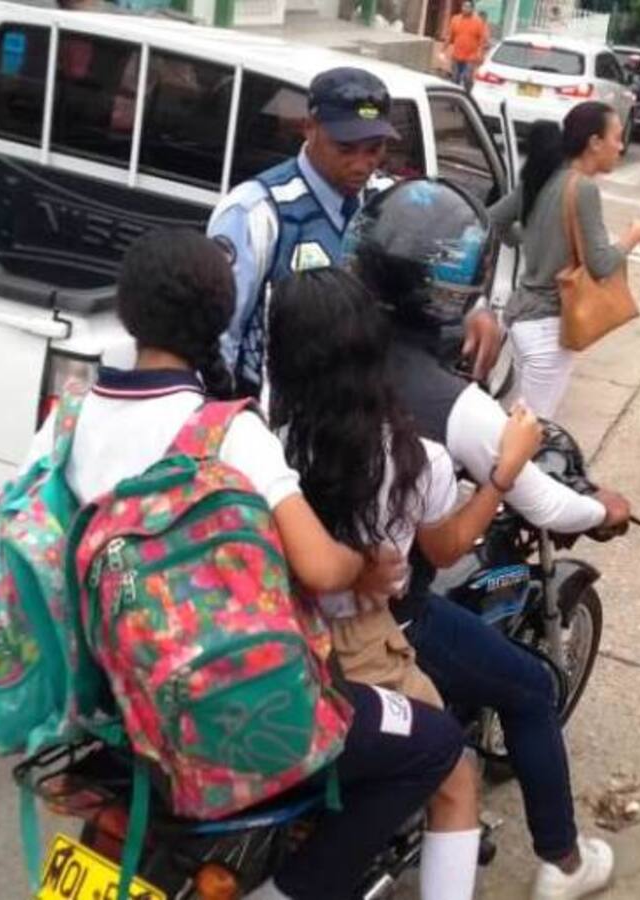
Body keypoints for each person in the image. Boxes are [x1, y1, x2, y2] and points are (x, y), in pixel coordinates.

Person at [28, 228, 466, 900]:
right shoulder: (227, 431)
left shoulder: (68, 419)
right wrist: (365, 566)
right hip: (220, 710)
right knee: (436, 745)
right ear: (218, 319)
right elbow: (321, 571)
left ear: (128, 310)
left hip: (110, 699)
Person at [346, 177, 633, 900]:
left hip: (297, 585)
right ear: (455, 286)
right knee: (533, 689)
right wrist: (601, 511)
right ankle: (564, 864)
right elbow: (542, 504)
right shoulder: (461, 411)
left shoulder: (319, 344)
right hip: (383, 610)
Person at [268, 267, 544, 900]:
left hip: (273, 631)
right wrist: (504, 474)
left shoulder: (264, 436)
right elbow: (446, 547)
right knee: (454, 773)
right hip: (360, 651)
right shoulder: (412, 458)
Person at [208, 65, 501, 400]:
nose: (362, 164)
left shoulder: (393, 205)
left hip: (360, 420)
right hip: (275, 423)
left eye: (374, 149)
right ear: (310, 129)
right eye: (345, 148)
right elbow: (219, 338)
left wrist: (476, 309)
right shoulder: (258, 213)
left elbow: (436, 274)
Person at [489, 106, 640, 418]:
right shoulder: (584, 188)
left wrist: (529, 237)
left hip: (522, 320)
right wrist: (633, 235)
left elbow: (492, 220)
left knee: (518, 426)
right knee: (530, 436)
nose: (621, 146)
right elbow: (601, 264)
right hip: (548, 329)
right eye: (617, 138)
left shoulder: (540, 178)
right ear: (594, 142)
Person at [444, 0, 487, 92]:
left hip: (470, 57)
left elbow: (482, 41)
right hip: (456, 56)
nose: (465, 9)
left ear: (472, 9)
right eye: (464, 6)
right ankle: (454, 100)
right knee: (454, 79)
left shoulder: (478, 22)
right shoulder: (455, 19)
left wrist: (480, 55)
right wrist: (443, 50)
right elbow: (449, 36)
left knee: (467, 78)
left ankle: (467, 95)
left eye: (468, 7)